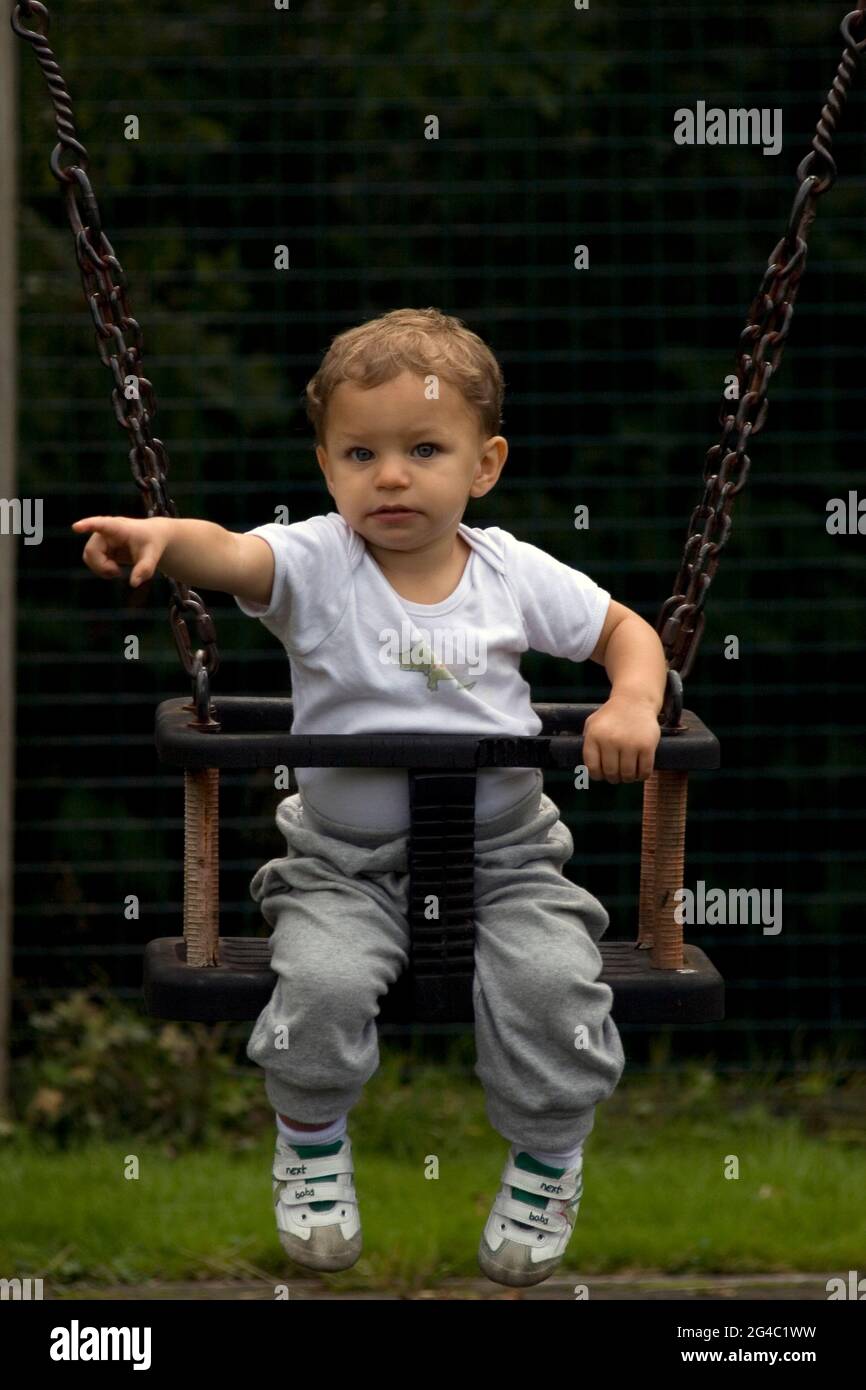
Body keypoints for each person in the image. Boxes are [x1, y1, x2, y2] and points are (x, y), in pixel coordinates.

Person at [72, 306, 666, 1289]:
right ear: (326, 467)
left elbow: (624, 632)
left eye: (422, 448)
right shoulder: (316, 564)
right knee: (319, 984)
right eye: (359, 452)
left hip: (507, 862)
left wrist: (633, 702)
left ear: (484, 464)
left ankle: (546, 1163)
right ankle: (310, 1149)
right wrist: (160, 538)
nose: (388, 474)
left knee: (552, 990)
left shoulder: (512, 572)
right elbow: (225, 552)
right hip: (341, 867)